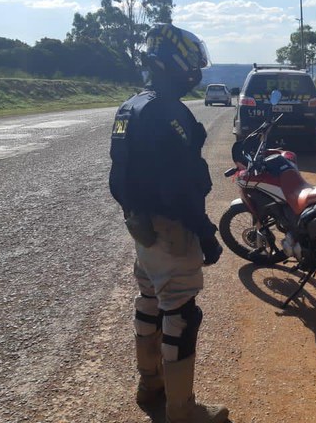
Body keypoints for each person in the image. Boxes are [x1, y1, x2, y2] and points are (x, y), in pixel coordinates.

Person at [108, 23, 228, 423]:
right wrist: (206, 233)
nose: (196, 70)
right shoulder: (168, 111)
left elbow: (119, 176)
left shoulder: (131, 106)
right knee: (180, 313)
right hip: (172, 229)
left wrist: (136, 215)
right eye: (191, 63)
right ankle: (182, 410)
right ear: (175, 64)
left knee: (149, 300)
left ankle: (150, 385)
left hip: (142, 228)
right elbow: (181, 187)